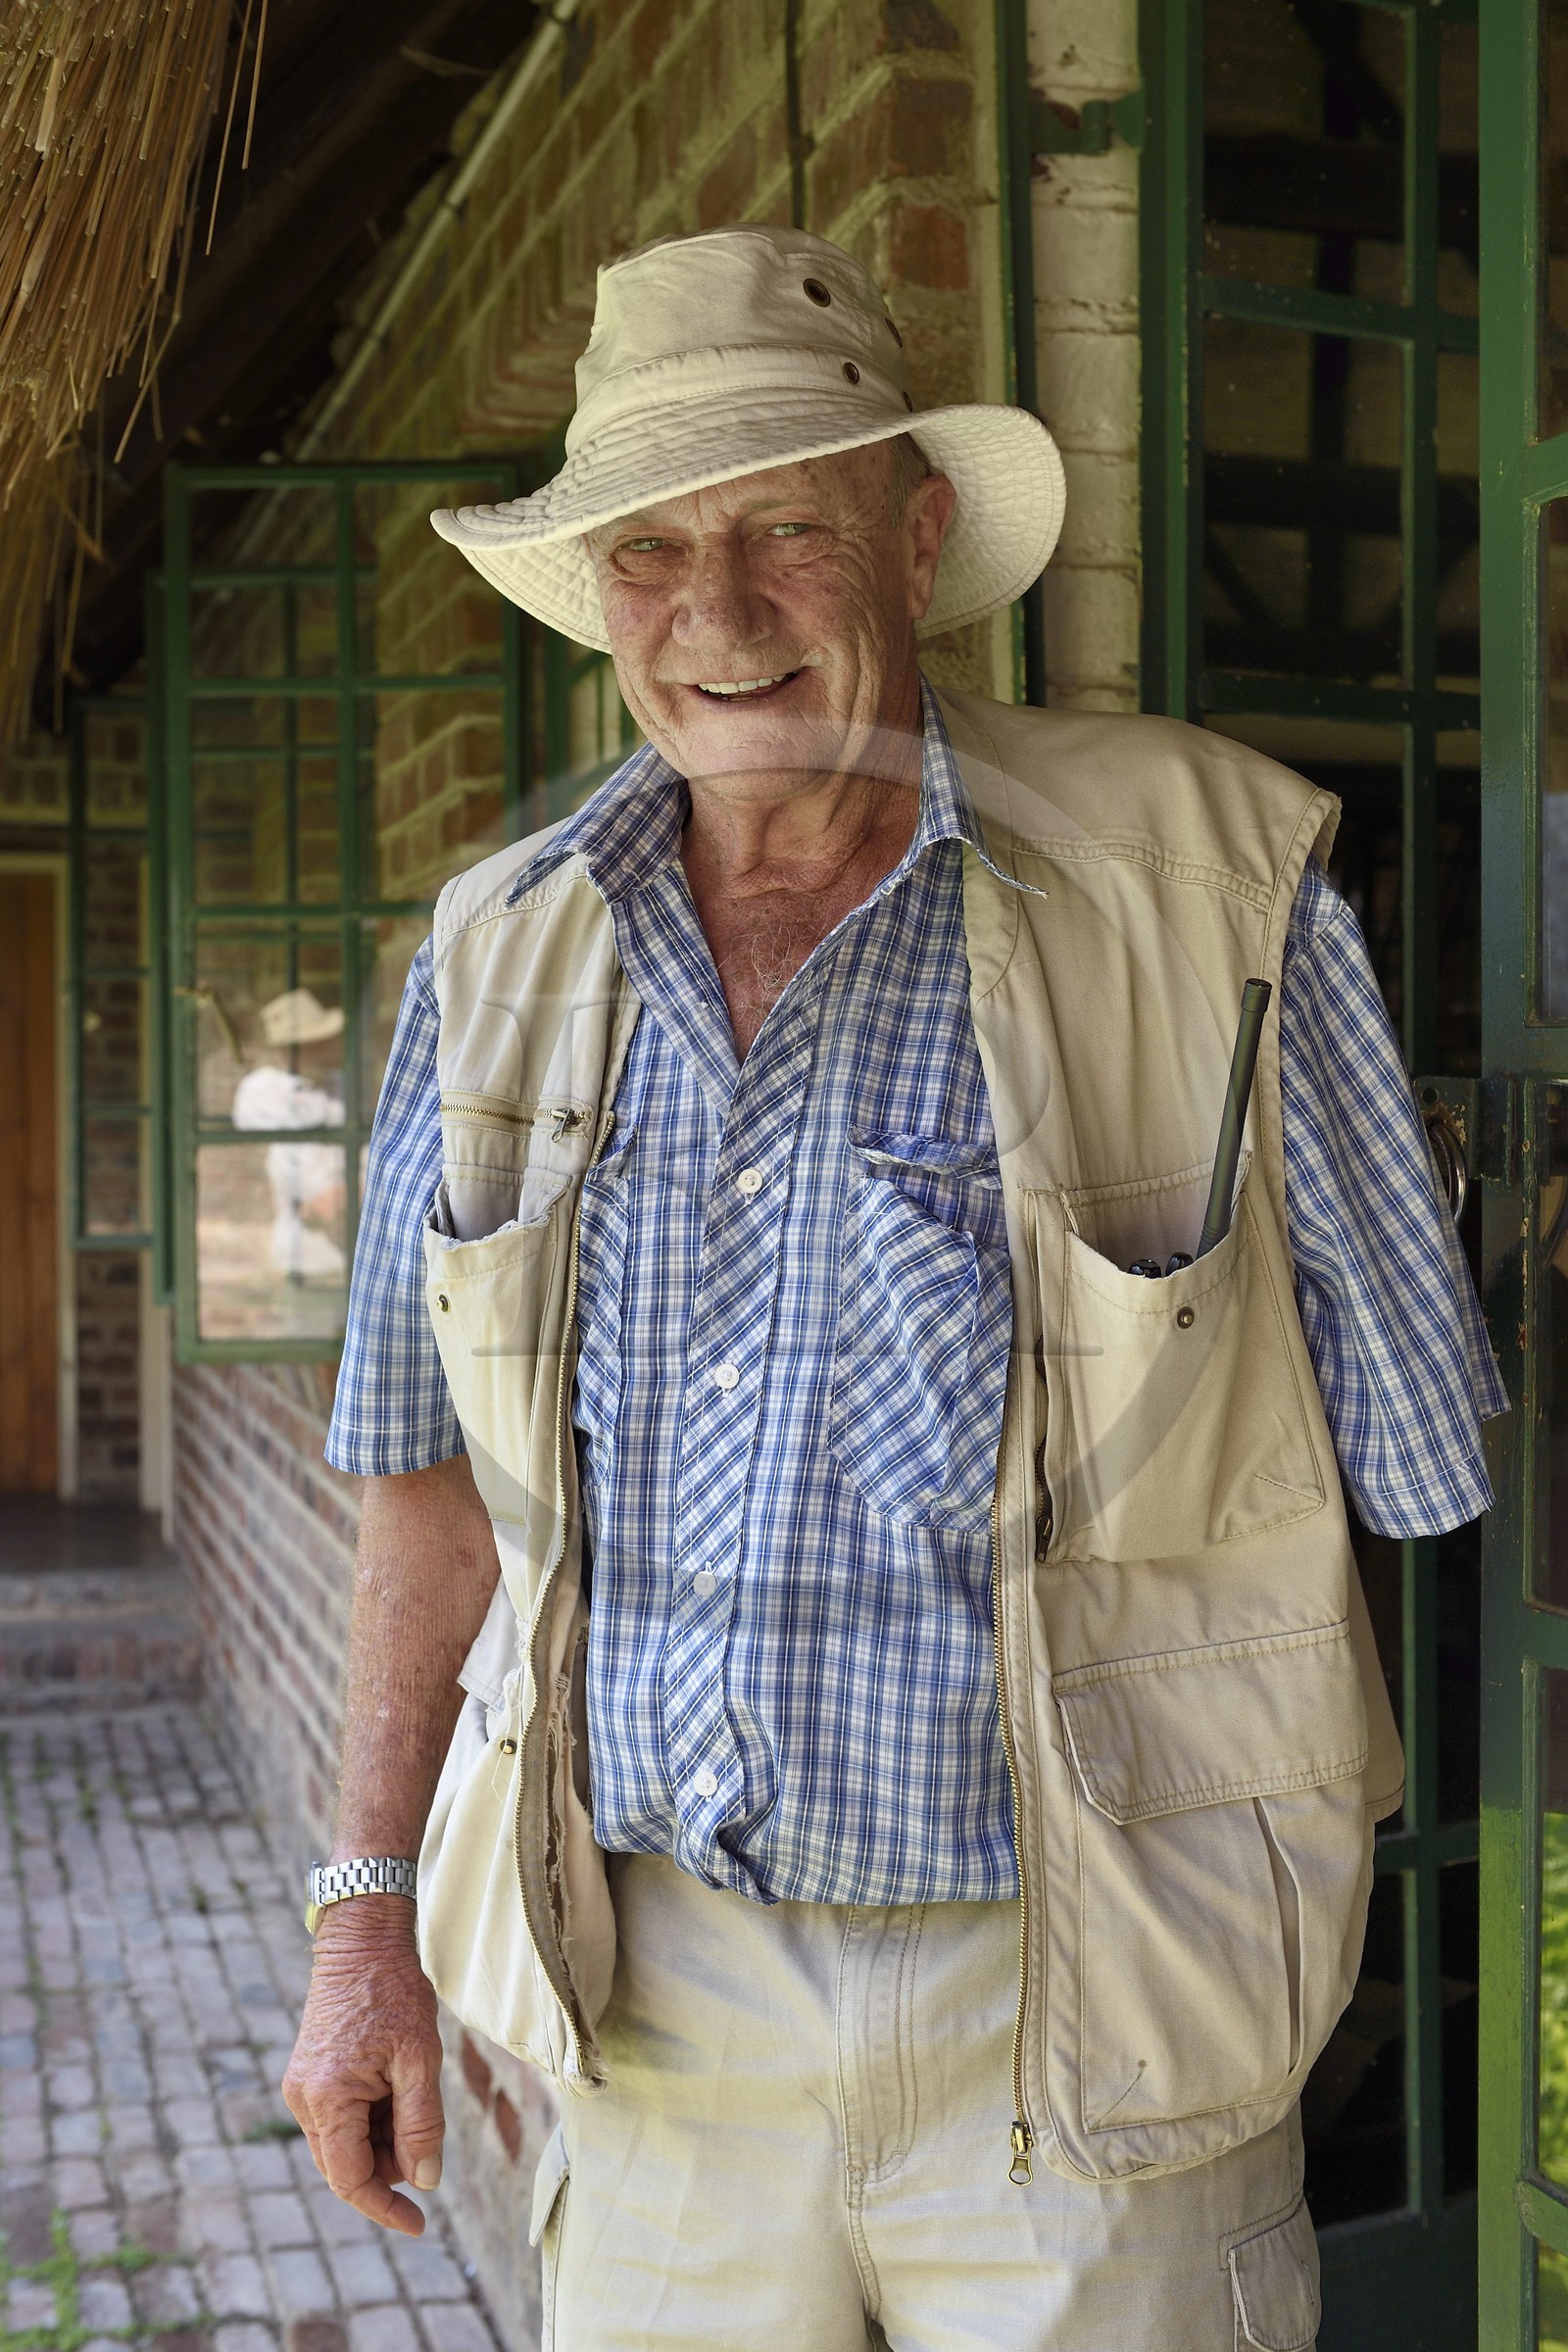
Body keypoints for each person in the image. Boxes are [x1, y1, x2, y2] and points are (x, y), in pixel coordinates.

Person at [283, 225, 1504, 2351]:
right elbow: (416, 1490)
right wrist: (362, 1928)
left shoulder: (1214, 893)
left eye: (783, 531)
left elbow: (1405, 1465)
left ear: (915, 533)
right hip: (649, 2016)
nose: (719, 617)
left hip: (1095, 2015)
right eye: (648, 557)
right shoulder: (492, 959)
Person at [229, 987, 347, 1279]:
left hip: (355, 1250)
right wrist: (326, 1198)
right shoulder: (262, 1090)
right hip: (304, 1255)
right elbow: (291, 1156)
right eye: (319, 1041)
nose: (332, 1045)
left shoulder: (341, 1085)